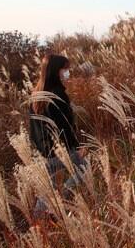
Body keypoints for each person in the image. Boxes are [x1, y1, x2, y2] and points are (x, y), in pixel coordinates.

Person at [28, 53, 86, 217]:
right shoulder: (58, 94)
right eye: (65, 69)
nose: (68, 72)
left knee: (46, 192)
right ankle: (64, 196)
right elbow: (64, 127)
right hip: (59, 152)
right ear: (56, 71)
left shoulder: (36, 95)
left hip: (43, 153)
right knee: (84, 168)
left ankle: (36, 223)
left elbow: (33, 129)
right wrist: (77, 147)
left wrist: (40, 150)